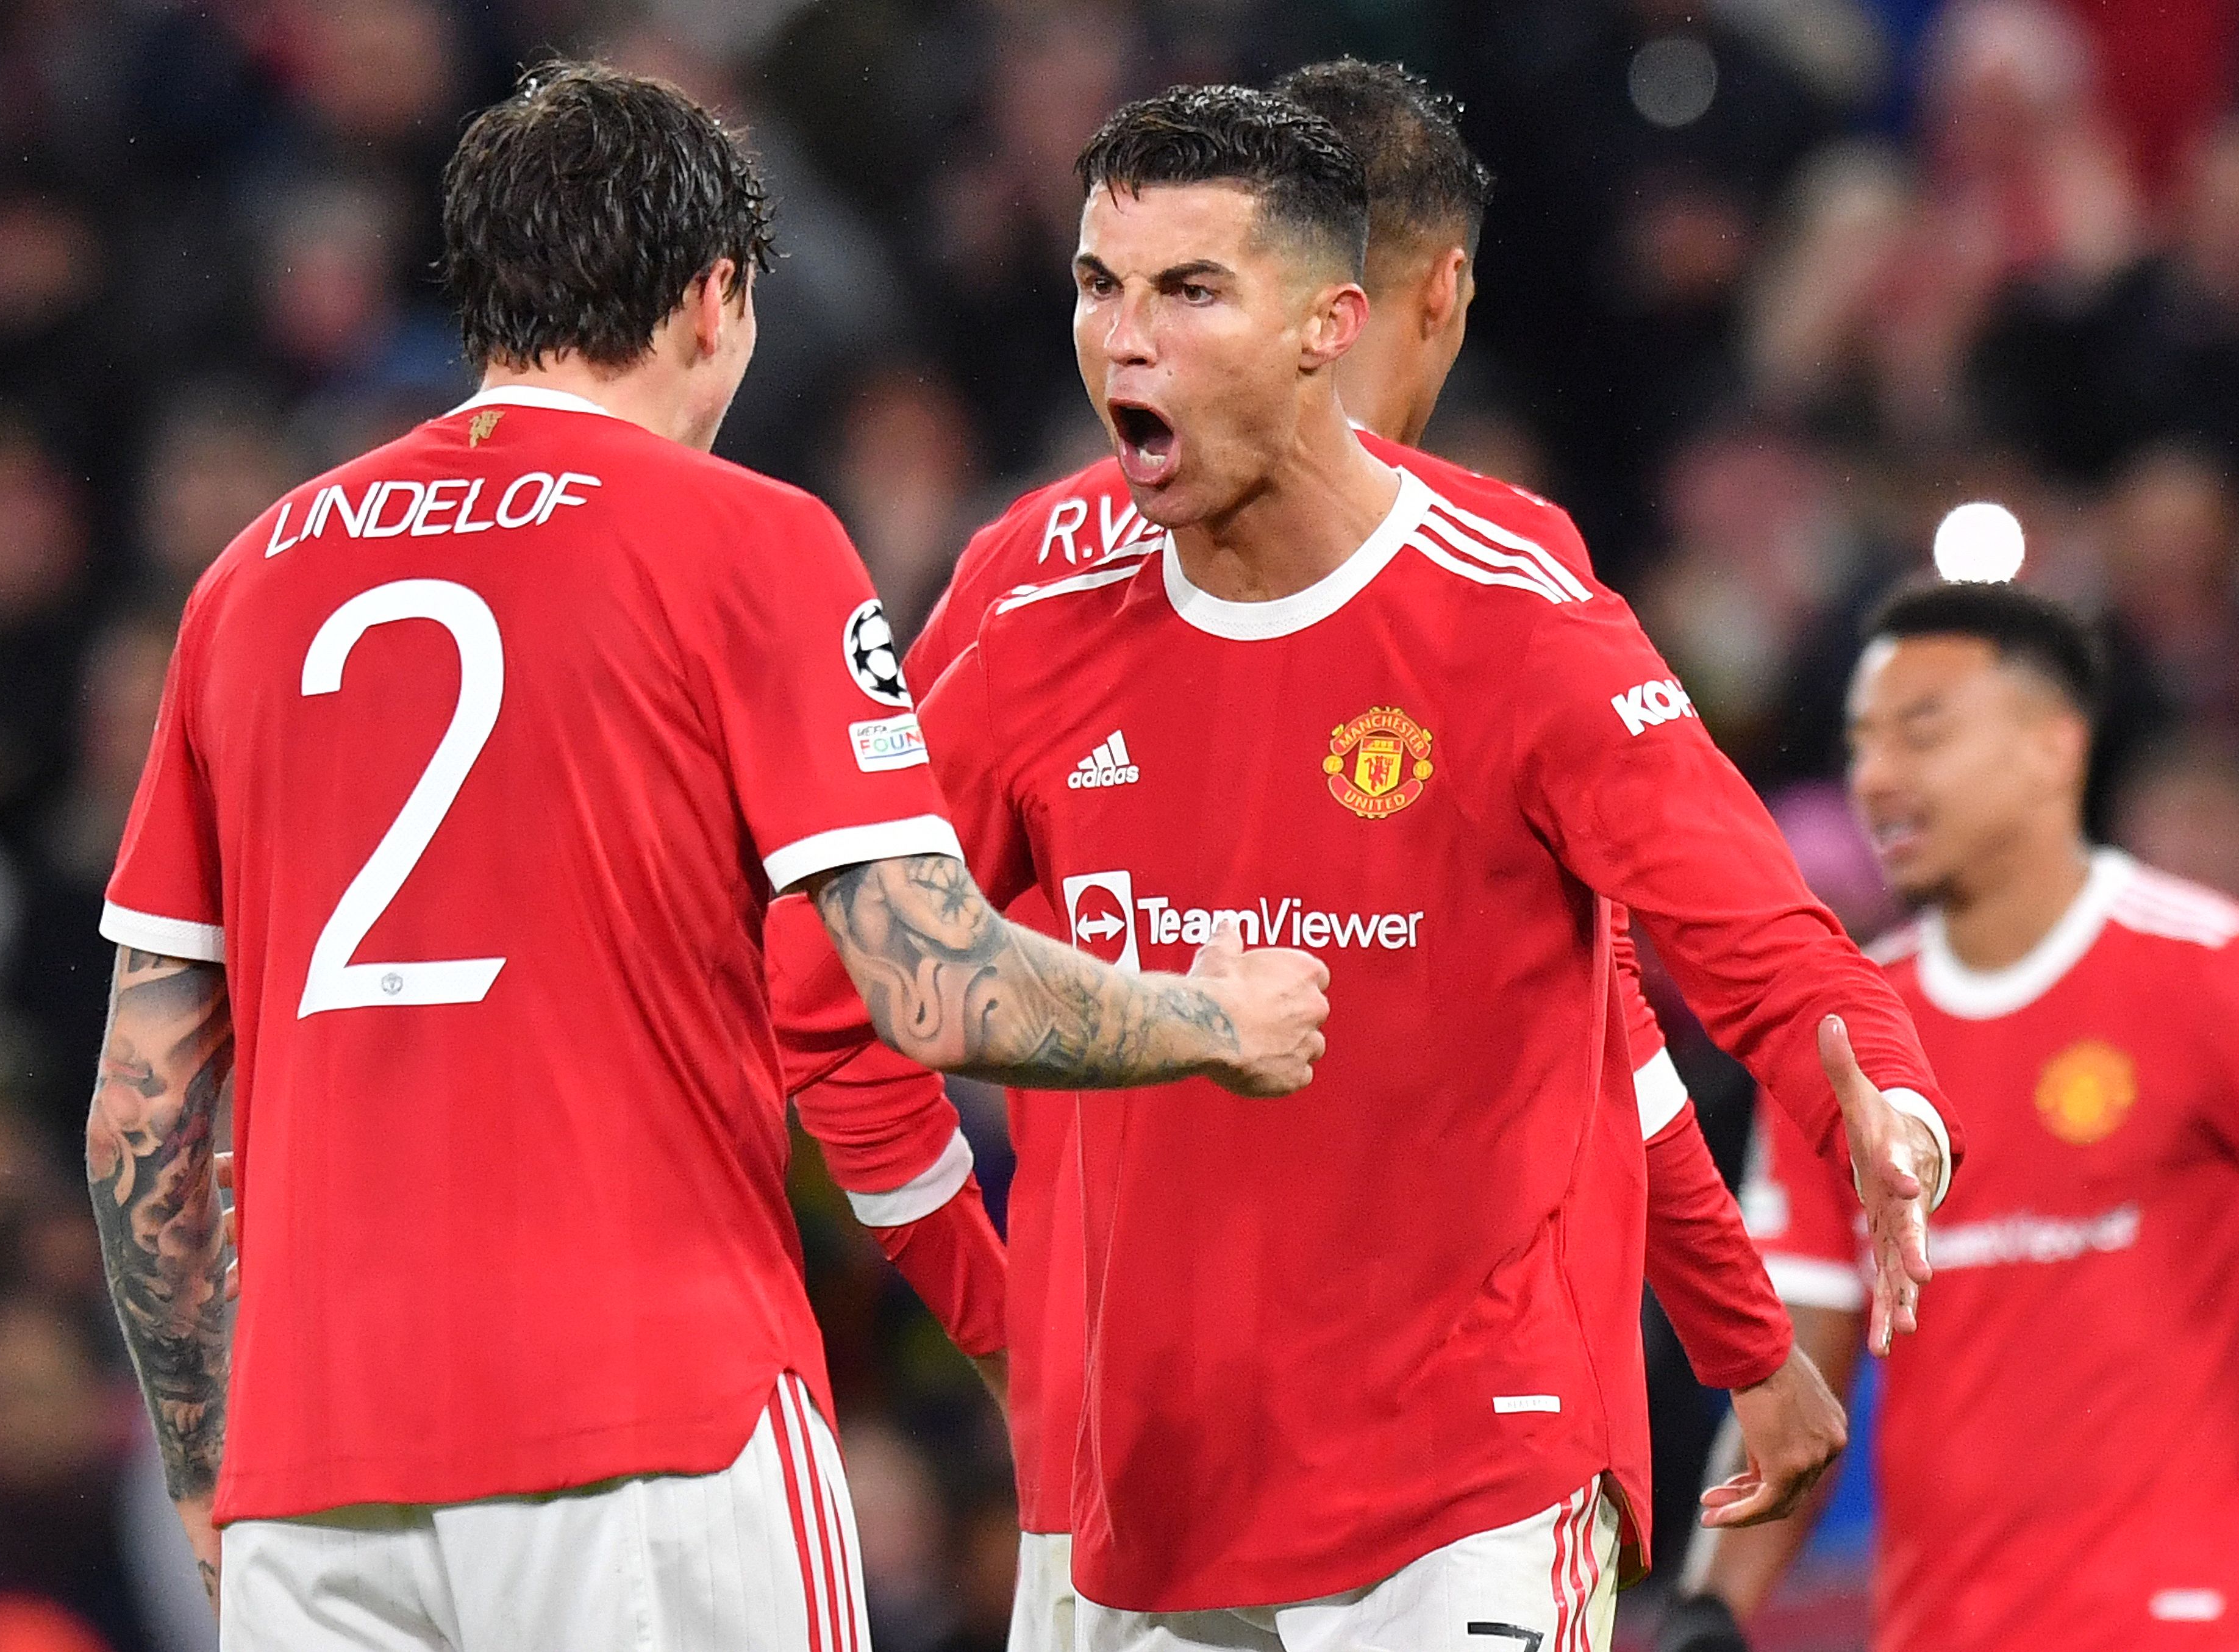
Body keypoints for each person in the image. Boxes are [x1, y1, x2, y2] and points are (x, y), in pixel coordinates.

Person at [83, 64, 1329, 1652]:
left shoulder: (244, 587)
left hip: (313, 1465)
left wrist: (210, 1464)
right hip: (646, 1423)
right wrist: (1213, 1014)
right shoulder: (744, 539)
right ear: (715, 296)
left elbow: (143, 1110)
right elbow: (934, 986)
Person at [771, 84, 1958, 1651]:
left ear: (1332, 326)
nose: (1124, 342)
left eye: (1189, 292)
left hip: (1460, 1483)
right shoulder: (1028, 606)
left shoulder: (1510, 609)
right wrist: (1008, 1332)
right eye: (1095, 286)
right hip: (1135, 1490)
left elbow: (1736, 930)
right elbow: (830, 991)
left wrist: (1876, 1088)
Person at [1668, 582, 2239, 1652]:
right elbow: (1799, 1370)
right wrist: (1713, 1608)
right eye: (1861, 741)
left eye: (1922, 731)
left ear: (2053, 748)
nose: (1877, 775)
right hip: (1936, 1629)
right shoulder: (1841, 1036)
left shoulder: (2208, 975)